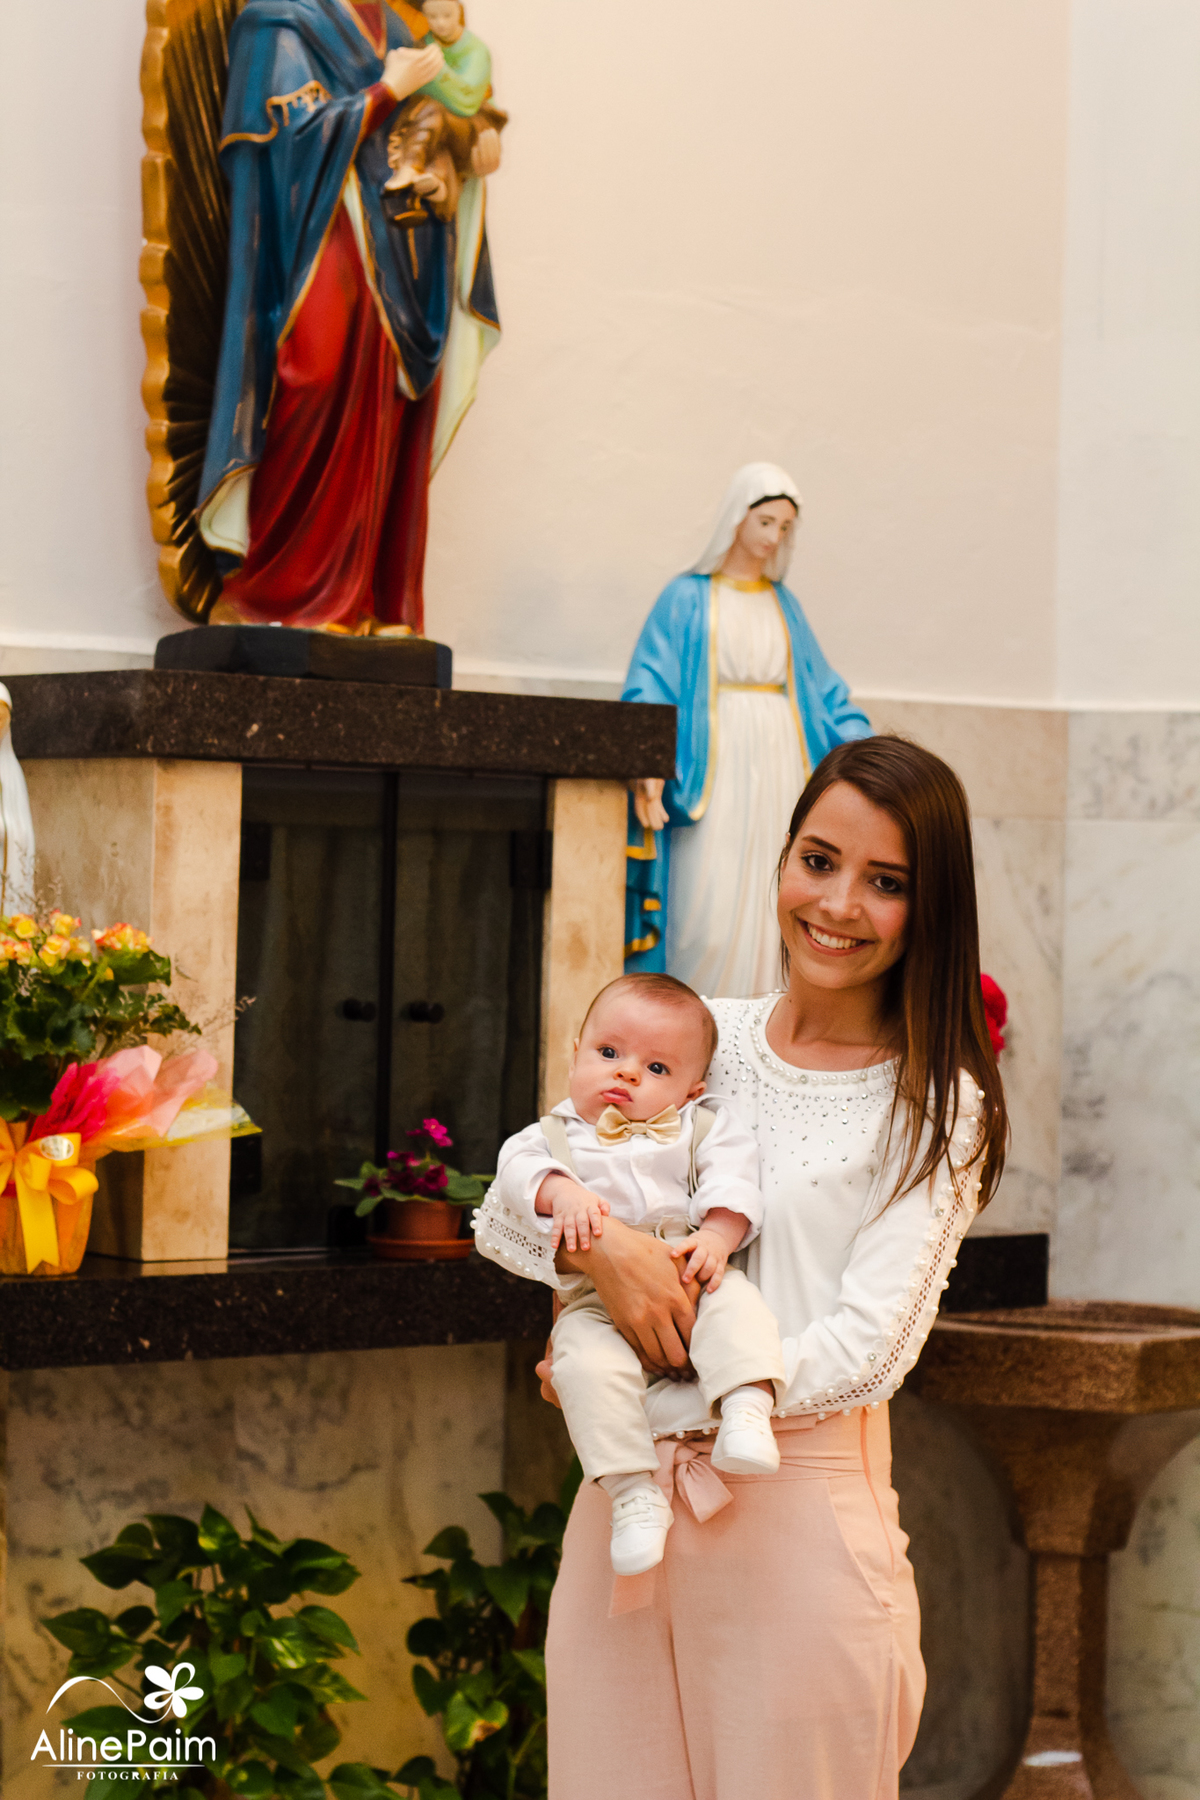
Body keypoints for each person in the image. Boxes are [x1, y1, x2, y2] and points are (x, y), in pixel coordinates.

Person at [474, 735, 1008, 1799]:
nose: (839, 904)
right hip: (627, 1517)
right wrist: (614, 1257)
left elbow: (869, 1352)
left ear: (929, 907)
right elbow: (505, 1214)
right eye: (819, 860)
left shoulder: (939, 1107)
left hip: (799, 1524)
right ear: (781, 862)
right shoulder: (692, 1037)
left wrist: (671, 1384)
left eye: (886, 882)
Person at [197, 0, 503, 635]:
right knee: (317, 374)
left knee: (388, 406)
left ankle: (363, 598)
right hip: (317, 244)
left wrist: (473, 148)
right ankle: (281, 590)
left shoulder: (400, 29)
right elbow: (290, 143)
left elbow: (445, 114)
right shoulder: (277, 22)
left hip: (399, 254)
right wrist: (387, 90)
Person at [485, 973, 786, 1577]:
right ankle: (632, 1494)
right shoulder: (548, 1138)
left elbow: (734, 1181)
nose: (625, 1073)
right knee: (579, 1361)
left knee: (739, 1305)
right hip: (595, 1297)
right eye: (609, 1053)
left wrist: (717, 1237)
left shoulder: (704, 1124)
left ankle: (747, 1406)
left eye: (656, 1069)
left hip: (687, 1263)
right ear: (576, 1052)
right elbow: (515, 1175)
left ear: (691, 1089)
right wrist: (561, 1189)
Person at [623, 463, 872, 997]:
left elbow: (822, 690)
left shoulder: (784, 606)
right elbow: (651, 680)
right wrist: (645, 759)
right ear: (736, 518)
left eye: (784, 528)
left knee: (772, 903)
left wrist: (863, 747)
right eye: (765, 521)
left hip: (781, 772)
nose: (773, 537)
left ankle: (765, 1019)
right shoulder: (687, 598)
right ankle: (694, 1024)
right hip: (710, 773)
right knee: (705, 912)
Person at [383, 0, 507, 223]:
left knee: (432, 118)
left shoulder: (461, 42)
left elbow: (472, 97)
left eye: (446, 17)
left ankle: (429, 181)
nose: (440, 23)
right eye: (434, 18)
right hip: (401, 132)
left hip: (452, 120)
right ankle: (435, 184)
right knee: (429, 120)